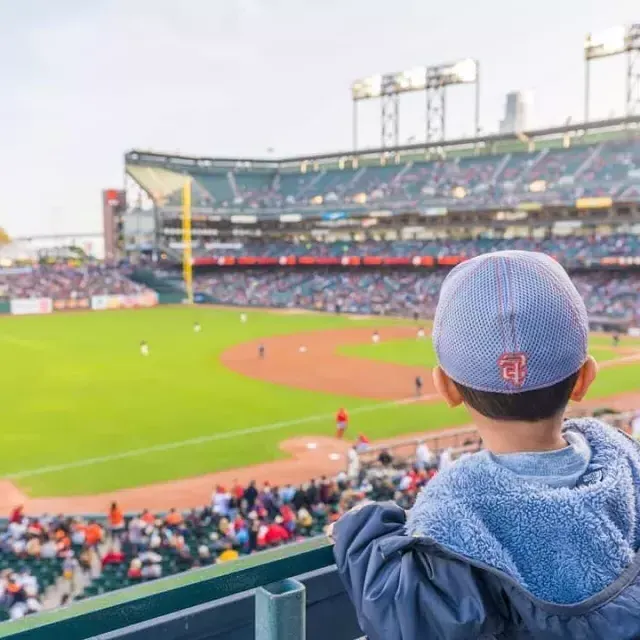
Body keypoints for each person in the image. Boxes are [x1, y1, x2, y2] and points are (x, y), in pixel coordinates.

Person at [330, 250, 640, 639]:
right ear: (585, 379)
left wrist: (361, 529)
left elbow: (404, 619)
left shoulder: (451, 512)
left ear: (446, 388)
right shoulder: (628, 467)